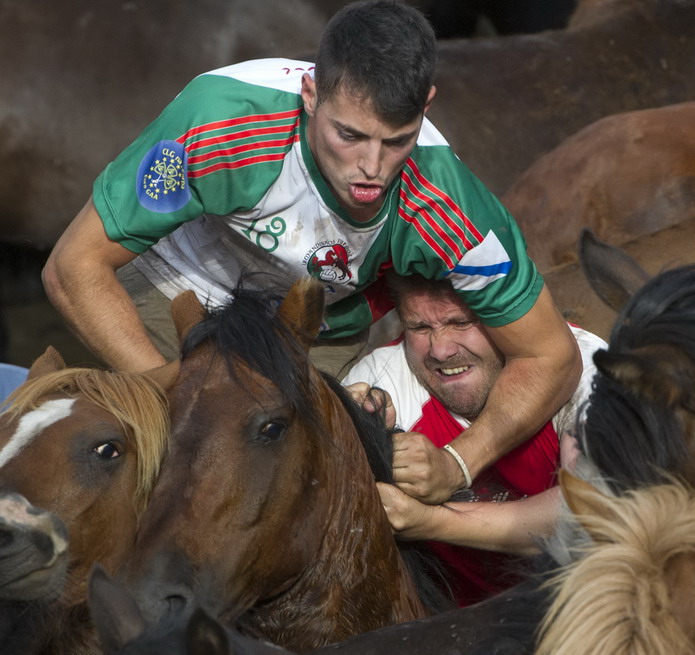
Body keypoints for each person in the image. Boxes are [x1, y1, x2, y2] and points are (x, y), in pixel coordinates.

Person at [42, 0, 582, 504]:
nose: (372, 167)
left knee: (286, 505)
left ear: (427, 105)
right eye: (349, 134)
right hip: (174, 286)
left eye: (397, 140)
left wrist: (459, 464)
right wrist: (174, 397)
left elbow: (551, 355)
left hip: (314, 330)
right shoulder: (221, 121)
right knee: (101, 477)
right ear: (310, 93)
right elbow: (74, 267)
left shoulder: (449, 204)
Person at [344, 272, 605, 605]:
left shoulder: (584, 364)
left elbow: (592, 513)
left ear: (507, 318)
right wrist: (355, 435)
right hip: (463, 627)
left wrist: (431, 522)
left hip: (592, 609)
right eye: (420, 328)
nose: (441, 350)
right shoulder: (382, 381)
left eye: (461, 322)